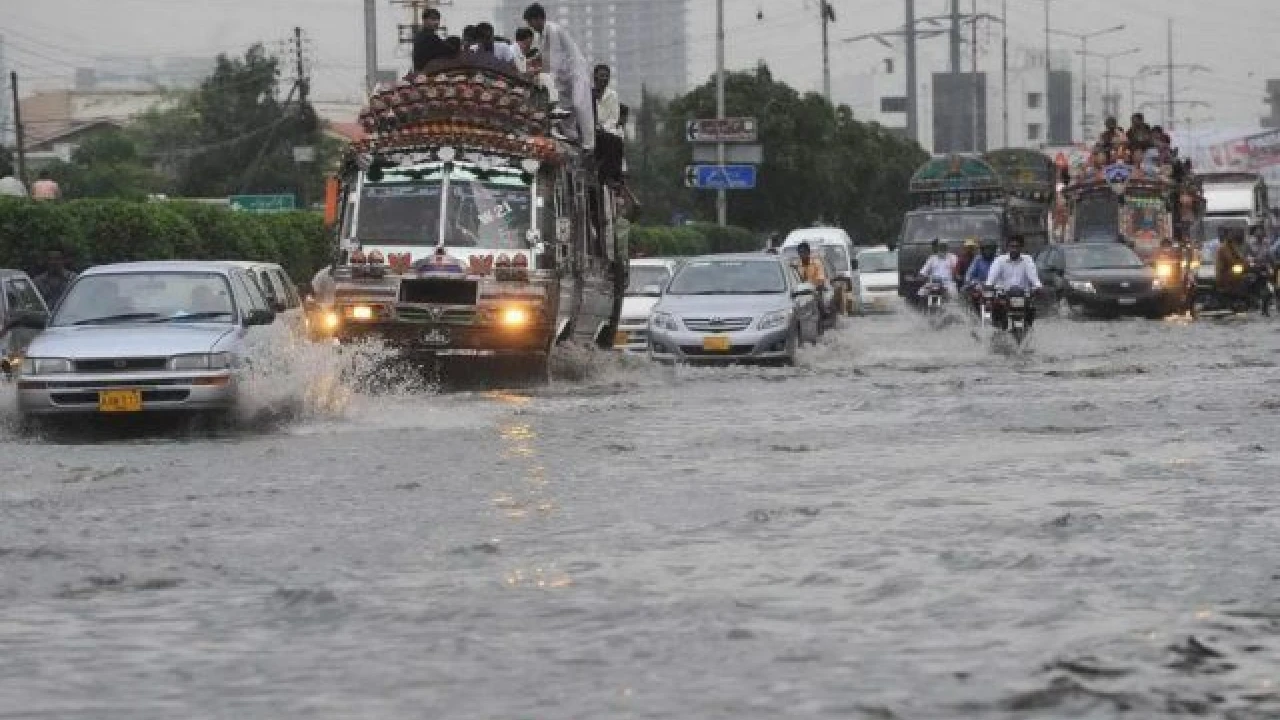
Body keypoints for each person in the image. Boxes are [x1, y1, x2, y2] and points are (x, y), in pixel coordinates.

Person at [523, 2, 595, 151]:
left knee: (579, 105)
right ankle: (572, 138)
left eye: (531, 22)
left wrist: (550, 80)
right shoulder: (541, 37)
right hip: (563, 77)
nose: (531, 26)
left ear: (538, 18)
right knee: (563, 108)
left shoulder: (553, 29)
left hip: (576, 72)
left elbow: (555, 57)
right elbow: (545, 60)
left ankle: (589, 143)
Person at [985, 235, 1043, 330]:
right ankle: (998, 331)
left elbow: (1033, 276)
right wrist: (989, 286)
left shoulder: (1027, 259)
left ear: (1021, 248)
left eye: (1017, 246)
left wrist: (1038, 287)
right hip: (1003, 296)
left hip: (1023, 296)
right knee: (995, 310)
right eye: (1012, 246)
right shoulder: (999, 260)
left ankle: (1027, 331)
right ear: (1008, 247)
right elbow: (991, 279)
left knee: (1032, 309)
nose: (1014, 249)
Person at [593, 64, 625, 185]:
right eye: (602, 76)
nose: (604, 79)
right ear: (595, 76)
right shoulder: (588, 93)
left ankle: (613, 175)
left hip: (606, 130)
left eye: (607, 76)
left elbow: (614, 118)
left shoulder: (612, 95)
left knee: (616, 140)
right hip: (590, 129)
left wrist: (603, 128)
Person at [1216, 227, 1252, 301]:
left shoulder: (1232, 246)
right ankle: (1239, 298)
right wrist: (1244, 265)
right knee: (1243, 279)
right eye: (1230, 235)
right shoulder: (1223, 248)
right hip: (1224, 274)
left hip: (1230, 271)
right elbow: (1231, 260)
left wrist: (1247, 263)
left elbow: (1239, 257)